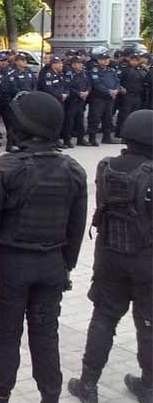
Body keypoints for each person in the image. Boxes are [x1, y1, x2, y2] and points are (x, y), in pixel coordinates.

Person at [0, 91, 88, 403]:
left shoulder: (3, 168)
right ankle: (50, 396)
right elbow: (75, 229)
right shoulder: (74, 170)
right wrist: (65, 264)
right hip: (51, 264)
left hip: (11, 265)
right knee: (45, 337)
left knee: (5, 340)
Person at [67, 109, 153, 403]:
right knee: (148, 322)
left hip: (109, 256)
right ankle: (148, 385)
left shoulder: (105, 166)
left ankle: (88, 384)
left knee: (103, 318)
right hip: (147, 260)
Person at [63, 56, 93, 148]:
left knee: (80, 121)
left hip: (81, 100)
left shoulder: (84, 73)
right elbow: (68, 86)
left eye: (81, 63)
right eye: (78, 63)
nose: (81, 65)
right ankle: (67, 140)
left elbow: (89, 84)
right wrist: (78, 94)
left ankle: (81, 139)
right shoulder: (69, 74)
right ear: (73, 65)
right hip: (72, 100)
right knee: (70, 121)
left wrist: (87, 92)